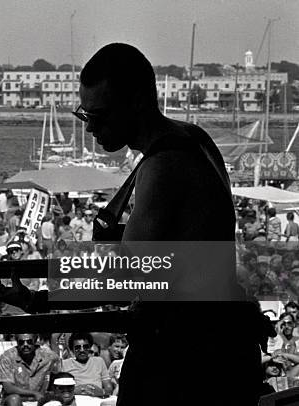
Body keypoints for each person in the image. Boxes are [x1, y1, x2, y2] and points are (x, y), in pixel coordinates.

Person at [75, 43, 263, 406]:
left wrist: (40, 296)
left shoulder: (163, 167)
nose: (91, 129)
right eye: (86, 115)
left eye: (100, 116)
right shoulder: (194, 139)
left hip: (183, 360)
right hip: (220, 348)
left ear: (138, 102)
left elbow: (126, 280)